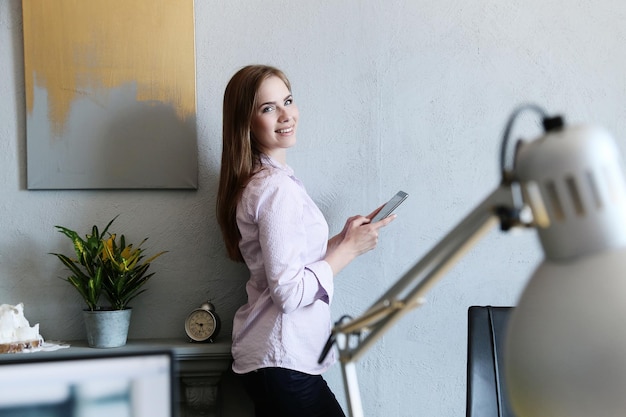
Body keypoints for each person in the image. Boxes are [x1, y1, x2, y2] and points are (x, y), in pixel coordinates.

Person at [216, 64, 395, 417]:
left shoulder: (270, 181)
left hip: (279, 361)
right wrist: (348, 250)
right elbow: (288, 292)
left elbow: (289, 265)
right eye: (268, 108)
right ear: (246, 122)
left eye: (288, 100)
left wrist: (342, 240)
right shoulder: (274, 188)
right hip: (282, 359)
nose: (286, 115)